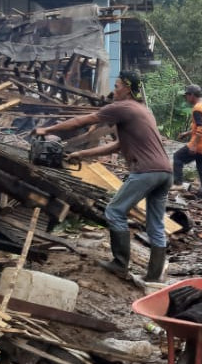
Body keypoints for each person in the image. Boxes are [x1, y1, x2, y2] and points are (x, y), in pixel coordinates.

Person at [34, 70, 172, 282]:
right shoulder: (143, 111)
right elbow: (118, 145)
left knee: (115, 211)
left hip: (146, 171)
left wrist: (47, 130)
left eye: (116, 86)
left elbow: (82, 121)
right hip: (164, 173)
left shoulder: (121, 107)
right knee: (156, 225)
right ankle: (153, 277)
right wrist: (82, 153)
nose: (113, 90)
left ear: (127, 88)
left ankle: (119, 264)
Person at [173, 84, 202, 203]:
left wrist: (193, 144)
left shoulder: (197, 108)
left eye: (187, 95)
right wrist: (187, 133)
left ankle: (178, 183)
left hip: (200, 145)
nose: (186, 98)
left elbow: (201, 128)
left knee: (177, 157)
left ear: (192, 95)